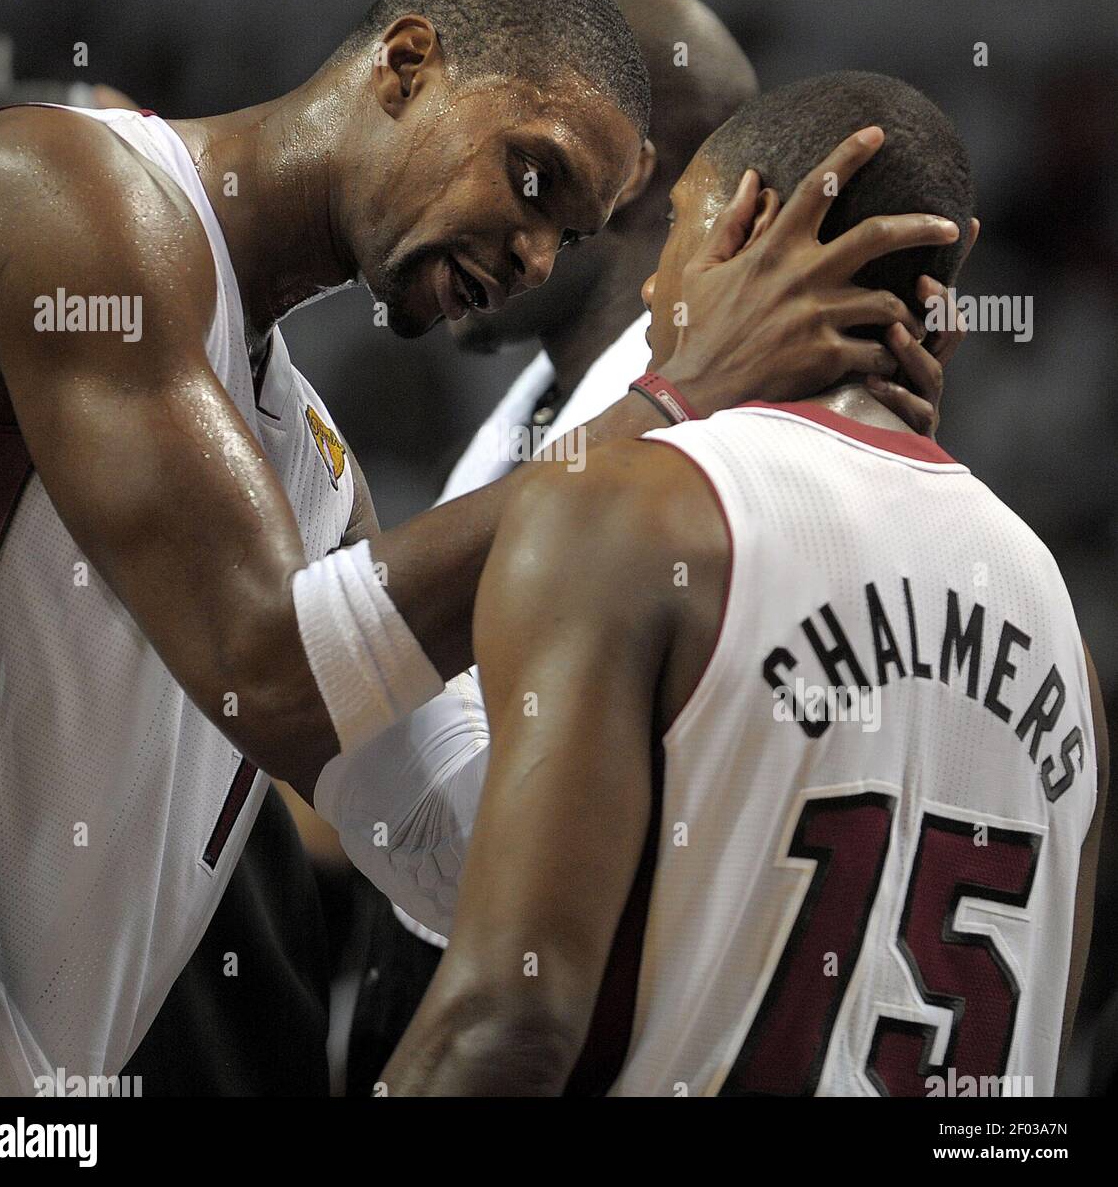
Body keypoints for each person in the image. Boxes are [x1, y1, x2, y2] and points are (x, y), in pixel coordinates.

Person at [0, 0, 951, 1094]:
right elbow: (266, 664)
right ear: (407, 62)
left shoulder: (308, 469)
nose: (532, 256)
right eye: (533, 180)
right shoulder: (79, 197)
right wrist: (678, 404)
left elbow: (437, 840)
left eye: (572, 239)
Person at [379, 71, 1107, 1096]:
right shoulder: (1057, 629)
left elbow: (509, 1019)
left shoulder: (635, 510)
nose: (645, 285)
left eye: (674, 224)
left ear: (746, 220)